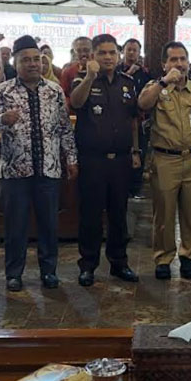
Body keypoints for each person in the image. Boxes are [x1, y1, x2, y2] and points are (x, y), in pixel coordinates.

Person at [0, 35, 78, 292]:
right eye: (26, 60)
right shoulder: (2, 92)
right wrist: (1, 119)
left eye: (36, 59)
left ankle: (49, 271)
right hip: (15, 172)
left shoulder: (54, 91)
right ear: (15, 63)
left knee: (49, 224)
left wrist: (71, 158)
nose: (32, 64)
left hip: (48, 169)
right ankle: (14, 273)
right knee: (15, 226)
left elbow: (64, 128)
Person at [138, 41, 191, 279]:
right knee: (164, 213)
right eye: (174, 59)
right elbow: (142, 104)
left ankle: (188, 256)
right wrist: (164, 82)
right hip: (165, 159)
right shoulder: (156, 87)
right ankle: (163, 258)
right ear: (164, 64)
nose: (179, 64)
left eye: (182, 59)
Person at [70, 34, 140, 287]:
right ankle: (88, 265)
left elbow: (133, 120)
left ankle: (119, 263)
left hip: (120, 160)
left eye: (112, 53)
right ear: (93, 56)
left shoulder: (127, 82)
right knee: (90, 214)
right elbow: (76, 103)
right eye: (103, 53)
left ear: (119, 55)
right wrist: (89, 77)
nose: (108, 57)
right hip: (93, 160)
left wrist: (135, 151)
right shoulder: (83, 79)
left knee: (119, 214)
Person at [118, 38, 152, 199]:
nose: (131, 53)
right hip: (119, 118)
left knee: (140, 152)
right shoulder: (116, 70)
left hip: (138, 118)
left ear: (139, 53)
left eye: (135, 50)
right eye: (129, 49)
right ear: (123, 51)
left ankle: (135, 189)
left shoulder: (144, 73)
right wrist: (126, 75)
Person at [59, 36, 93, 109]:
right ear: (74, 52)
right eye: (79, 51)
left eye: (86, 50)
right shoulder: (68, 71)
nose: (83, 54)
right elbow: (63, 95)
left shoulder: (101, 69)